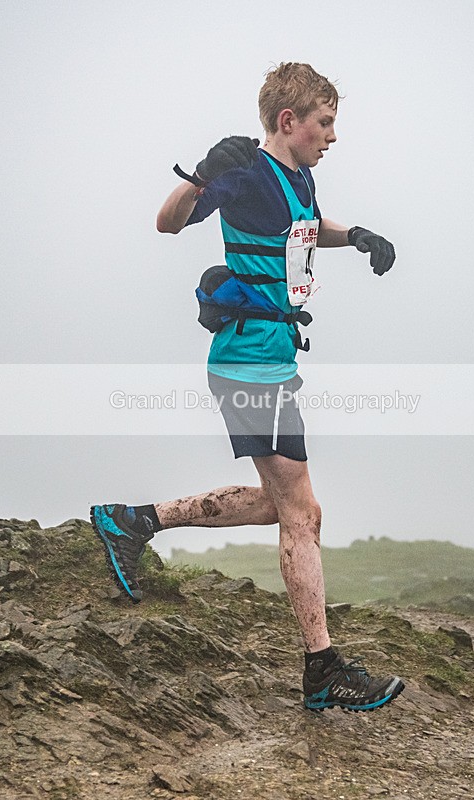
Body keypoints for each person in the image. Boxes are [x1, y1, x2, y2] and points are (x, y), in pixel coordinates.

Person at [90, 62, 403, 713]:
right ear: (288, 121)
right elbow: (168, 223)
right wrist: (200, 177)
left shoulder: (296, 177)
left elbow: (305, 232)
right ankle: (321, 668)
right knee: (300, 512)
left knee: (281, 505)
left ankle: (132, 521)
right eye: (324, 123)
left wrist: (359, 236)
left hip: (272, 359)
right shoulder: (243, 169)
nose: (332, 136)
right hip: (247, 361)